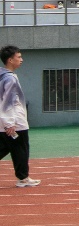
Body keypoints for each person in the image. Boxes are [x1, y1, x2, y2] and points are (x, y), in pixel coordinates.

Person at [0, 47, 40, 188]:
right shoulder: (10, 78)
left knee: (6, 147)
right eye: (19, 57)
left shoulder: (4, 76)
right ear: (10, 60)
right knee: (21, 149)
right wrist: (10, 123)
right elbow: (7, 102)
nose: (21, 60)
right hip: (15, 123)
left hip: (5, 122)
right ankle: (23, 178)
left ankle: (23, 177)